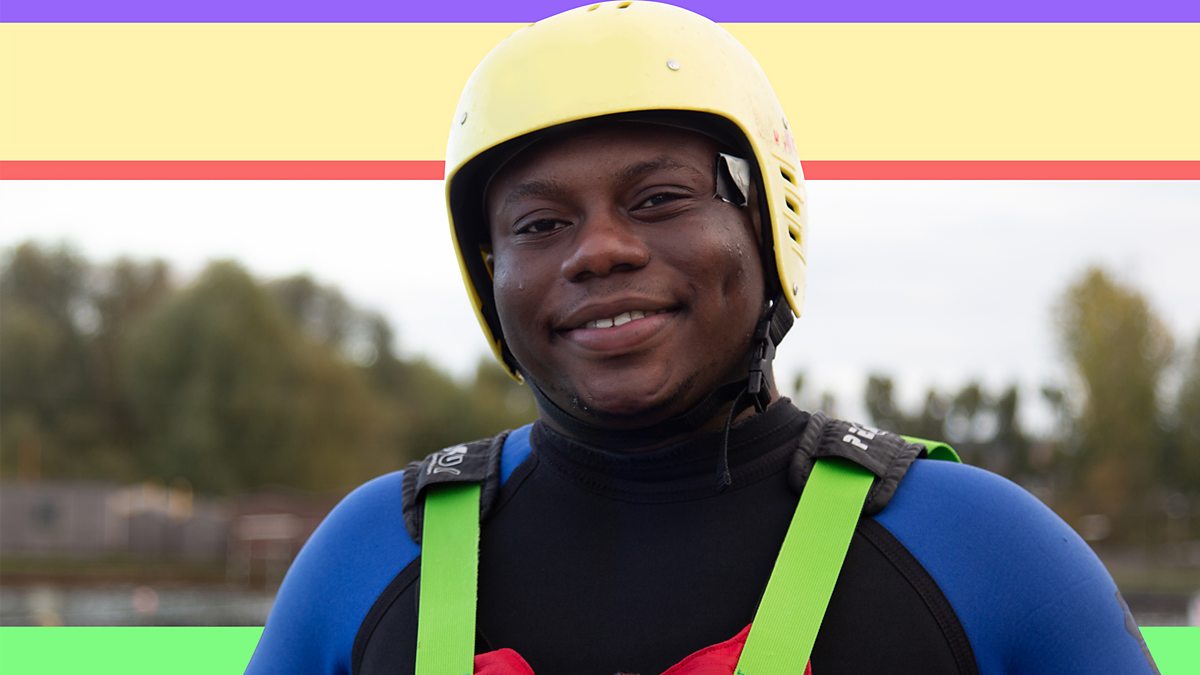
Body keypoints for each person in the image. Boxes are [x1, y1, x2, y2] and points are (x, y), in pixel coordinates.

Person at [246, 3, 1160, 673]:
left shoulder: (988, 555)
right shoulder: (369, 557)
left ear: (766, 228)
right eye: (540, 224)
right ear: (490, 273)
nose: (599, 250)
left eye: (658, 199)